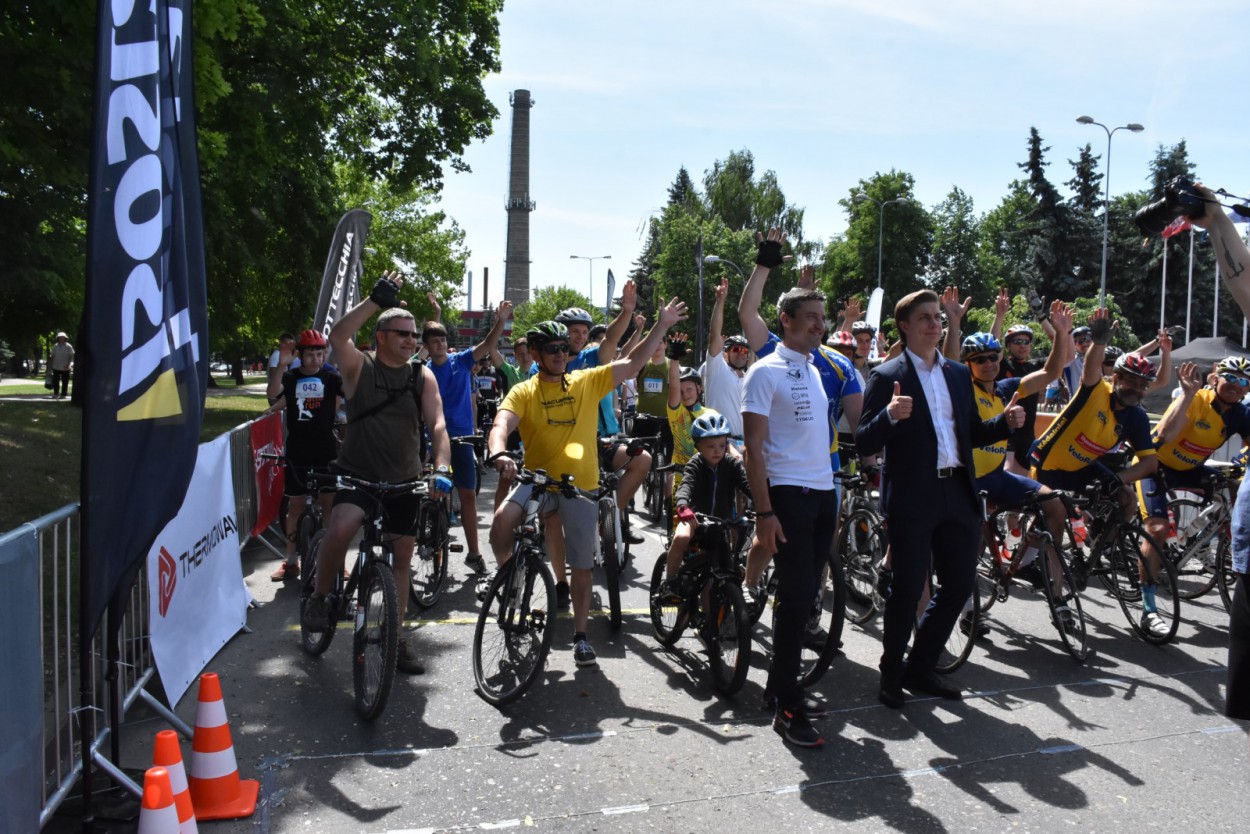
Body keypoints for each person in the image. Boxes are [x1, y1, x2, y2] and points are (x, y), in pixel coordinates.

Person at [484, 298, 688, 668]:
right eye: (552, 349)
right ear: (535, 353)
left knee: (581, 566)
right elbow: (502, 423)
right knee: (500, 524)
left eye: (564, 348)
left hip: (579, 487)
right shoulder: (525, 390)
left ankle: (581, 636)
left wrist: (661, 325)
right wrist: (498, 452)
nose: (561, 354)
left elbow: (631, 364)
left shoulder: (585, 381)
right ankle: (509, 581)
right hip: (537, 481)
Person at [856, 288, 1022, 711]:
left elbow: (972, 432)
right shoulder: (886, 376)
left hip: (958, 491)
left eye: (937, 317)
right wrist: (889, 415)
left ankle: (921, 664)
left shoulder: (957, 373)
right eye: (926, 318)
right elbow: (864, 441)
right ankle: (891, 672)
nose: (935, 324)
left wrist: (1004, 422)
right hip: (914, 496)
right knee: (908, 588)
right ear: (905, 326)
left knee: (961, 584)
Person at [301, 272, 452, 676]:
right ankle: (320, 597)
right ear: (381, 336)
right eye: (402, 334)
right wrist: (375, 301)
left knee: (402, 558)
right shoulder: (358, 367)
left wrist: (442, 467)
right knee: (340, 527)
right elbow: (337, 336)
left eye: (414, 336)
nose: (411, 341)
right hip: (358, 476)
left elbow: (438, 424)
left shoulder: (421, 375)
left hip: (404, 481)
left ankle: (396, 638)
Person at [742, 284, 840, 748]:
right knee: (797, 598)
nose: (821, 324)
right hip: (787, 494)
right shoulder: (764, 372)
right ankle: (787, 706)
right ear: (786, 319)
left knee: (805, 598)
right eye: (812, 316)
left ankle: (779, 687)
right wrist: (764, 512)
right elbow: (753, 450)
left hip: (823, 493)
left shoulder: (815, 369)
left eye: (823, 316)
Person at [1028, 309, 1166, 638]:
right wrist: (1099, 342)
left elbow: (1149, 464)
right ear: (1115, 378)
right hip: (1048, 463)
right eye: (1130, 380)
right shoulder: (1096, 390)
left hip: (1082, 466)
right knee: (1056, 518)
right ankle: (1057, 597)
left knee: (1127, 500)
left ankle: (1097, 552)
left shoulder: (1135, 417)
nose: (1136, 388)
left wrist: (1119, 479)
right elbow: (1091, 367)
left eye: (1142, 384)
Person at [423, 300, 513, 574]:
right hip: (433, 439)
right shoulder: (423, 369)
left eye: (443, 340)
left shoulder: (460, 361)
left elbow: (487, 344)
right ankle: (424, 530)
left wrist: (501, 321)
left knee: (468, 496)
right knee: (425, 490)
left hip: (461, 438)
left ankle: (474, 554)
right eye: (435, 341)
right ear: (427, 346)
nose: (441, 344)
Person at [1140, 357, 1250, 575]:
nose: (1236, 385)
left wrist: (1242, 463)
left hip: (1190, 469)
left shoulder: (1241, 414)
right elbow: (1165, 434)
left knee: (1236, 487)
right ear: (1215, 379)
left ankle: (1201, 540)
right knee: (1158, 529)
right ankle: (1147, 594)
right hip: (1156, 466)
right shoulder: (1197, 399)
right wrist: (1188, 395)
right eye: (1230, 378)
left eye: (1244, 381)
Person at [263, 329, 343, 581]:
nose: (315, 359)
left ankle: (334, 560)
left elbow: (351, 392)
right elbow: (273, 393)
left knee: (329, 505)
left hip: (326, 449)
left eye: (320, 354)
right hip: (297, 449)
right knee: (295, 507)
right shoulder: (291, 377)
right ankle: (290, 562)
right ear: (300, 355)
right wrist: (281, 366)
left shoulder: (331, 376)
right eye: (309, 354)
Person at [657, 413, 752, 598]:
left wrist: (763, 503)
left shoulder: (732, 465)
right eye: (710, 446)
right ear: (698, 446)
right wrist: (683, 507)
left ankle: (711, 617)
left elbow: (747, 485)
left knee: (716, 581)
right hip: (694, 520)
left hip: (721, 525)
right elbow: (685, 486)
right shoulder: (695, 464)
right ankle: (670, 582)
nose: (717, 451)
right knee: (681, 537)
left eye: (722, 445)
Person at [702, 276, 753, 449]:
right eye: (736, 349)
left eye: (744, 351)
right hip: (719, 441)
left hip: (745, 445)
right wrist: (720, 302)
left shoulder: (749, 377)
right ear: (725, 353)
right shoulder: (717, 368)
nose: (741, 354)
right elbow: (715, 334)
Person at [266, 332, 300, 404]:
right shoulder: (276, 355)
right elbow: (273, 377)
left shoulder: (290, 357)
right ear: (281, 344)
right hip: (276, 397)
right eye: (287, 343)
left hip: (282, 395)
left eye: (291, 343)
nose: (290, 346)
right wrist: (281, 366)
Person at [49, 332, 74, 399]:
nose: (61, 339)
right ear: (58, 338)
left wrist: (68, 364)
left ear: (65, 338)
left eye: (63, 338)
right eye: (60, 338)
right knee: (55, 381)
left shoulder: (68, 346)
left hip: (65, 367)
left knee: (65, 382)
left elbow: (71, 356)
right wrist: (51, 365)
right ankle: (56, 394)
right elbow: (52, 356)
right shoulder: (55, 346)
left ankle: (63, 394)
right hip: (56, 366)